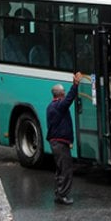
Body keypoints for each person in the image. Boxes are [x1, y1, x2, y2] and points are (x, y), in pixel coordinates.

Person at [46, 72, 82, 205]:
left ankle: (58, 193)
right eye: (64, 92)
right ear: (60, 94)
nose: (65, 93)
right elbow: (69, 100)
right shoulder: (58, 106)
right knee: (66, 169)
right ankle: (62, 195)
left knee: (60, 169)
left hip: (57, 143)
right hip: (59, 143)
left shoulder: (51, 106)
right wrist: (75, 85)